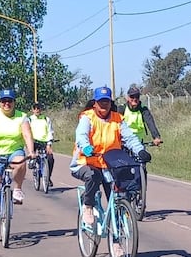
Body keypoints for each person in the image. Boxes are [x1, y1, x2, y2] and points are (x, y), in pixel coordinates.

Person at [71, 86, 150, 229]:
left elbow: (130, 138)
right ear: (95, 103)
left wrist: (140, 151)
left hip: (110, 164)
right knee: (93, 176)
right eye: (101, 102)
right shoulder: (87, 117)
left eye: (106, 101)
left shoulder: (117, 119)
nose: (104, 105)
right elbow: (81, 135)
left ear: (110, 102)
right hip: (86, 162)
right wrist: (86, 147)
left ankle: (118, 232)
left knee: (120, 194)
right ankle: (88, 206)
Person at [0, 89, 36, 233]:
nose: (6, 104)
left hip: (14, 151)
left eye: (9, 101)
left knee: (20, 162)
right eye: (3, 101)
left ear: (14, 102)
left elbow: (27, 135)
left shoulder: (22, 117)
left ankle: (17, 189)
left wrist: (31, 151)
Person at [28, 102, 55, 187]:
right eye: (35, 108)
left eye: (38, 108)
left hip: (44, 142)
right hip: (34, 141)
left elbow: (50, 131)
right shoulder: (29, 119)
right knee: (33, 157)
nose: (37, 110)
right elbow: (27, 132)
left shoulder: (46, 119)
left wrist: (49, 144)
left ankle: (48, 177)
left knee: (50, 158)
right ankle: (34, 166)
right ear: (32, 110)